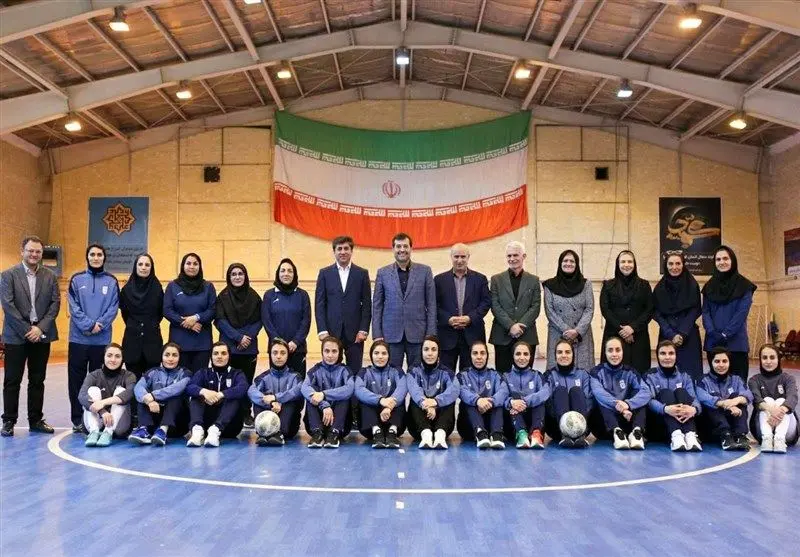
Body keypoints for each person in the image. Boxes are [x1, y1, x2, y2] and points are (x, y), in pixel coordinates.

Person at [1, 235, 60, 437]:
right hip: (16, 336)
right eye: (30, 250)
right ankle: (9, 421)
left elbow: (55, 305)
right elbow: (8, 306)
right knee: (12, 380)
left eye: (38, 251)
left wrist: (40, 329)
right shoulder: (8, 275)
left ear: (41, 254)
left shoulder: (50, 276)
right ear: (22, 251)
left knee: (37, 380)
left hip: (41, 335)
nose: (34, 254)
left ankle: (35, 420)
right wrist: (28, 330)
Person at [67, 243, 119, 433]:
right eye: (92, 254)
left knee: (99, 382)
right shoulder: (76, 279)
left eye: (99, 255)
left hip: (101, 341)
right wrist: (89, 325)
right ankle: (77, 420)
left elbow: (113, 307)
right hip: (78, 340)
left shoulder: (112, 281)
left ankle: (97, 418)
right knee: (76, 382)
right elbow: (73, 307)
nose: (96, 258)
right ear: (87, 257)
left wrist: (100, 325)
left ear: (104, 258)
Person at [372, 233, 436, 370]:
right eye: (398, 246)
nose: (402, 250)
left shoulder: (425, 271)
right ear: (393, 249)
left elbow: (431, 304)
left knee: (418, 373)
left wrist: (431, 333)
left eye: (405, 246)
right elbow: (377, 306)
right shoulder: (383, 273)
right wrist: (377, 334)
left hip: (418, 334)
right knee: (393, 374)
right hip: (391, 335)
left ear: (411, 248)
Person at [314, 235, 372, 374]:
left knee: (355, 372)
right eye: (339, 249)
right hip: (331, 333)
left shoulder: (362, 274)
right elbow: (320, 304)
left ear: (351, 251)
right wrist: (322, 330)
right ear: (334, 251)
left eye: (346, 248)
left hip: (355, 334)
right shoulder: (325, 273)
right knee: (332, 372)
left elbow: (367, 304)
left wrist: (363, 329)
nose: (343, 252)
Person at [216, 262, 263, 427]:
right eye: (233, 274)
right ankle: (227, 413)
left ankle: (245, 414)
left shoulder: (254, 297)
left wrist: (246, 338)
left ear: (245, 276)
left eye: (240, 274)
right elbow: (220, 320)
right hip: (228, 348)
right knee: (228, 382)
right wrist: (238, 337)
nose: (237, 277)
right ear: (229, 277)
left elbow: (259, 320)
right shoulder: (222, 297)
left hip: (248, 348)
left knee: (246, 383)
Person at [702, 246, 756, 381]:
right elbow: (706, 312)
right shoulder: (709, 286)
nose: (722, 262)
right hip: (713, 343)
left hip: (736, 344)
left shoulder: (745, 286)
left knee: (738, 383)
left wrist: (725, 334)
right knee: (715, 383)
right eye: (718, 259)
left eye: (725, 258)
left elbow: (741, 313)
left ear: (733, 260)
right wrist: (712, 332)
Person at [434, 243, 491, 372]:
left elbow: (486, 302)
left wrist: (470, 318)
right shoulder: (439, 280)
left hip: (472, 335)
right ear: (451, 257)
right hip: (447, 335)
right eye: (456, 256)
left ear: (468, 257)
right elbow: (434, 305)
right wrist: (448, 319)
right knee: (446, 375)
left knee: (470, 376)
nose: (459, 260)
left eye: (463, 257)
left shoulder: (480, 279)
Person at [589, 337, 650, 450]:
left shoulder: (630, 372)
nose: (614, 354)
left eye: (618, 350)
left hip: (627, 421)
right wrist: (622, 408)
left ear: (623, 352)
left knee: (638, 394)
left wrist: (628, 404)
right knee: (601, 398)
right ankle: (616, 432)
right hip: (604, 426)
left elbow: (646, 392)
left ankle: (637, 433)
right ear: (605, 353)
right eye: (610, 350)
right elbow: (599, 393)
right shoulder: (596, 372)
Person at [489, 241, 541, 373]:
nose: (512, 259)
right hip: (502, 335)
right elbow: (495, 305)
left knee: (527, 375)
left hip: (527, 335)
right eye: (509, 256)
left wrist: (521, 325)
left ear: (524, 256)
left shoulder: (534, 280)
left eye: (515, 255)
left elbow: (535, 306)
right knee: (502, 375)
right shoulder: (496, 280)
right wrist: (511, 326)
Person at [599, 250, 653, 374]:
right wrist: (622, 330)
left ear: (634, 264)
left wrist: (632, 328)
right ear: (618, 264)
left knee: (638, 372)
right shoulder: (608, 285)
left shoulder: (644, 285)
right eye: (623, 262)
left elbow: (649, 310)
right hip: (614, 334)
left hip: (638, 336)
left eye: (630, 262)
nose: (626, 265)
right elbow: (605, 310)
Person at [128, 342, 192, 446]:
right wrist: (149, 401)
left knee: (175, 397)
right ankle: (143, 430)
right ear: (161, 356)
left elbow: (178, 388)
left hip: (175, 423)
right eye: (167, 355)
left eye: (174, 355)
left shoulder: (185, 373)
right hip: (154, 418)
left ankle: (163, 431)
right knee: (143, 397)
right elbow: (138, 387)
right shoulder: (153, 372)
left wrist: (153, 395)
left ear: (179, 357)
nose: (170, 359)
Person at [185, 342, 248, 447]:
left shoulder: (237, 373)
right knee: (197, 395)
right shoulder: (203, 372)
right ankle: (197, 431)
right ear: (211, 357)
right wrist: (205, 392)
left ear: (229, 356)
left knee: (234, 397)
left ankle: (216, 430)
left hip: (229, 427)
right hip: (206, 425)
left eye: (223, 353)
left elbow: (243, 388)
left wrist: (221, 394)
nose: (219, 356)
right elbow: (189, 387)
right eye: (216, 353)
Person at [644, 340, 703, 452]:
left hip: (684, 422)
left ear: (676, 356)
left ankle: (690, 435)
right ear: (657, 356)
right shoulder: (650, 376)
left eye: (671, 353)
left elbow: (694, 398)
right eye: (663, 353)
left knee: (681, 391)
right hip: (660, 423)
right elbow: (648, 401)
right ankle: (676, 436)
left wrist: (694, 409)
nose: (667, 357)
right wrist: (665, 409)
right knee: (666, 393)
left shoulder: (685, 376)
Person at [652, 253, 702, 381]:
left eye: (678, 263)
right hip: (667, 336)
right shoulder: (659, 288)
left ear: (683, 265)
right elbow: (656, 312)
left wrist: (682, 333)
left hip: (688, 336)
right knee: (667, 375)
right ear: (666, 266)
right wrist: (671, 334)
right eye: (671, 264)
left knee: (691, 375)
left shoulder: (692, 285)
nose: (674, 267)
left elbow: (695, 309)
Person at [164, 253, 216, 372]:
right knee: (181, 379)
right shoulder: (173, 286)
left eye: (195, 264)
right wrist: (187, 322)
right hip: (178, 343)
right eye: (188, 263)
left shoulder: (208, 287)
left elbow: (213, 310)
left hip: (202, 343)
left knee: (200, 378)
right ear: (183, 266)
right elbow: (167, 310)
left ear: (200, 266)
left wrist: (196, 317)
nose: (192, 266)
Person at [542, 249, 595, 370]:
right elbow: (549, 311)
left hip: (581, 335)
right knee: (557, 371)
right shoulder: (549, 285)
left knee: (583, 371)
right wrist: (567, 330)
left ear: (577, 264)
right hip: (558, 333)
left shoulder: (586, 284)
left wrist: (577, 331)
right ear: (560, 263)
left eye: (572, 261)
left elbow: (589, 309)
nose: (568, 263)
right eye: (565, 261)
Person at [78, 343, 136, 447]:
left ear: (122, 359)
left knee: (121, 390)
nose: (113, 360)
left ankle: (108, 432)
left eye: (117, 356)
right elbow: (81, 395)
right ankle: (94, 432)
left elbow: (129, 393)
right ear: (104, 357)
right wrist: (103, 411)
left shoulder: (129, 375)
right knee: (92, 390)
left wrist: (103, 402)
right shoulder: (94, 375)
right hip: (95, 421)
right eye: (109, 355)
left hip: (119, 427)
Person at [406, 336, 459, 449]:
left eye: (434, 350)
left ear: (439, 352)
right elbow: (414, 390)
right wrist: (426, 403)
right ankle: (426, 435)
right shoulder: (413, 371)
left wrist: (435, 402)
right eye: (426, 349)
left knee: (449, 401)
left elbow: (454, 390)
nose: (430, 353)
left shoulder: (447, 372)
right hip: (418, 428)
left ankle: (440, 436)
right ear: (421, 352)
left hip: (443, 426)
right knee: (416, 400)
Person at [248, 338, 303, 446]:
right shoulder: (263, 377)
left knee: (290, 402)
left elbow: (297, 392)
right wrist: (271, 402)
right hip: (269, 416)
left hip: (289, 426)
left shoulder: (295, 376)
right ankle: (263, 433)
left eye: (282, 353)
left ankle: (280, 434)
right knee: (259, 400)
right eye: (275, 353)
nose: (278, 356)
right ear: (270, 355)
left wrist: (277, 398)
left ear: (287, 355)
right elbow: (251, 391)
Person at [301, 336, 354, 448]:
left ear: (340, 352)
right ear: (322, 352)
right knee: (312, 394)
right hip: (317, 421)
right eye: (327, 351)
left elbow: (349, 389)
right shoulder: (315, 370)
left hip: (341, 426)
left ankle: (334, 433)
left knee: (343, 395)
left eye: (334, 351)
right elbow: (304, 387)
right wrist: (324, 405)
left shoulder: (345, 370)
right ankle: (317, 433)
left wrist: (324, 394)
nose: (330, 355)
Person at [263, 258, 311, 379]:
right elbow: (267, 321)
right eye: (283, 270)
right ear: (278, 273)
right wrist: (279, 343)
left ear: (294, 274)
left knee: (298, 383)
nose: (286, 274)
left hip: (297, 349)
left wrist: (295, 341)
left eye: (290, 271)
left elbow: (306, 320)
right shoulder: (269, 295)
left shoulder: (303, 295)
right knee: (277, 384)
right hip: (276, 350)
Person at [354, 341, 407, 449]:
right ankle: (377, 432)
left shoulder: (396, 370)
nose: (380, 357)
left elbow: (402, 388)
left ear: (389, 356)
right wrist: (380, 400)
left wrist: (389, 406)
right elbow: (358, 389)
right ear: (371, 355)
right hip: (369, 428)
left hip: (394, 422)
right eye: (376, 353)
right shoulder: (364, 372)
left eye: (384, 353)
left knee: (399, 401)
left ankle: (392, 432)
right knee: (364, 401)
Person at [696, 348, 752, 450]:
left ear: (729, 363)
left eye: (724, 361)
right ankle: (725, 436)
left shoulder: (736, 379)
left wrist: (734, 401)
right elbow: (702, 396)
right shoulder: (703, 380)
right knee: (712, 401)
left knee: (739, 398)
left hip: (732, 422)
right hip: (712, 427)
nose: (721, 365)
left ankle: (740, 435)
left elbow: (748, 395)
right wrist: (725, 404)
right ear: (711, 362)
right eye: (717, 361)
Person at [120, 253, 164, 382]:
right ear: (135, 267)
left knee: (152, 383)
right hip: (132, 342)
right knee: (132, 382)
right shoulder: (126, 290)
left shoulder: (157, 289)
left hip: (152, 342)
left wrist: (149, 324)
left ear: (152, 268)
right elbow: (125, 314)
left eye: (147, 265)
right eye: (140, 264)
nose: (143, 267)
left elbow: (160, 313)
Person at [457, 341, 508, 449]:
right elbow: (462, 391)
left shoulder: (495, 375)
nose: (479, 357)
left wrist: (490, 402)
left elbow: (503, 391)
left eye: (482, 353)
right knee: (470, 402)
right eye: (475, 353)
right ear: (470, 356)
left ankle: (496, 435)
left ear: (487, 356)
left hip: (490, 425)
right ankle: (480, 433)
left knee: (498, 403)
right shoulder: (462, 375)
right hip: (468, 428)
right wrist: (478, 400)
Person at [748, 344, 798, 453]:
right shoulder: (754, 380)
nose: (768, 361)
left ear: (778, 359)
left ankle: (779, 439)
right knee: (767, 400)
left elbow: (793, 397)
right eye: (764, 358)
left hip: (788, 433)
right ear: (760, 360)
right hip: (761, 430)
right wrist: (771, 410)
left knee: (781, 401)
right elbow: (756, 399)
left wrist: (780, 410)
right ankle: (767, 438)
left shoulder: (788, 378)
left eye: (772, 357)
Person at [544, 340, 593, 448]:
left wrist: (574, 420)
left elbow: (589, 401)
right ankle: (564, 435)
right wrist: (566, 422)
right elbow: (548, 403)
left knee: (576, 390)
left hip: (581, 426)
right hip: (556, 427)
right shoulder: (549, 375)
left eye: (567, 352)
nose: (563, 355)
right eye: (560, 352)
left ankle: (580, 435)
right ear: (555, 356)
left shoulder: (583, 374)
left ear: (573, 354)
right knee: (560, 390)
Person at [503, 341, 551, 449]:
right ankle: (521, 434)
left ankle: (536, 433)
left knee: (539, 400)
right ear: (513, 356)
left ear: (530, 356)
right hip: (513, 424)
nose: (522, 357)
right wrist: (511, 402)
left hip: (534, 420)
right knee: (514, 398)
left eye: (525, 354)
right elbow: (501, 397)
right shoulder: (505, 376)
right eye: (518, 354)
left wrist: (524, 401)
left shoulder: (537, 375)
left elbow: (545, 392)